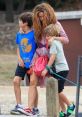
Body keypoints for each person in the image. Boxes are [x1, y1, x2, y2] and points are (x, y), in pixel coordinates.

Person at [21, 2, 69, 116]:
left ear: (48, 14)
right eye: (39, 17)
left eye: (43, 16)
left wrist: (54, 38)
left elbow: (66, 39)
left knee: (54, 87)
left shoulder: (56, 24)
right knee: (32, 80)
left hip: (51, 57)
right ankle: (30, 108)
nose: (41, 19)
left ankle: (63, 109)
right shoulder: (36, 26)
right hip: (38, 57)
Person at [41, 23, 75, 117]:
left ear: (54, 36)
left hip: (62, 70)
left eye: (48, 36)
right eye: (46, 35)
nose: (46, 37)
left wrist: (46, 69)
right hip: (58, 69)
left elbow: (52, 57)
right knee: (57, 90)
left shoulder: (54, 44)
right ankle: (63, 111)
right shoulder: (56, 42)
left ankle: (70, 105)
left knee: (58, 91)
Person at [10, 12, 36, 115]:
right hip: (21, 63)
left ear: (25, 23)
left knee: (32, 85)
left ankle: (34, 107)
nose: (19, 22)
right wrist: (19, 58)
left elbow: (38, 49)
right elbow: (18, 47)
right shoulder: (19, 34)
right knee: (16, 81)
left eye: (20, 21)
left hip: (32, 64)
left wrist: (34, 61)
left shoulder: (34, 34)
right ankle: (19, 105)